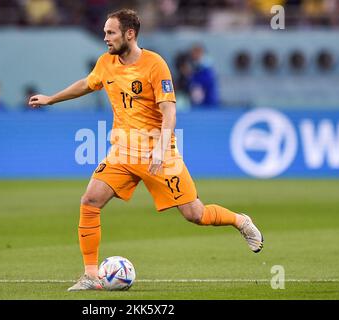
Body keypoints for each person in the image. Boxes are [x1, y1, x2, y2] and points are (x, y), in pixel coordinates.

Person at [28, 9, 263, 291]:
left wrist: (161, 149)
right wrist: (52, 99)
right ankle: (91, 275)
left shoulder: (155, 65)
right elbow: (87, 84)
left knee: (195, 214)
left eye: (110, 32)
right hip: (123, 152)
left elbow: (169, 112)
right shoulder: (106, 63)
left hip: (157, 153)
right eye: (104, 32)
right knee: (90, 201)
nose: (105, 38)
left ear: (130, 34)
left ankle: (241, 221)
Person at [188, 44, 220, 108]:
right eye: (193, 54)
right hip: (197, 105)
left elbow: (207, 85)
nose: (195, 56)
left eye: (197, 54)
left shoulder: (207, 70)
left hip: (209, 103)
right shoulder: (194, 70)